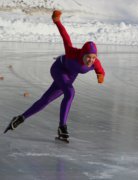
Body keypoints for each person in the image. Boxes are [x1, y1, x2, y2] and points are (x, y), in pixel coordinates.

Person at [4, 10, 105, 140]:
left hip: (69, 77)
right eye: (88, 57)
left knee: (46, 100)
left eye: (93, 57)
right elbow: (65, 36)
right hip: (58, 69)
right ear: (82, 54)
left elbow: (101, 70)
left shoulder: (95, 63)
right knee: (70, 92)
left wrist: (100, 75)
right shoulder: (72, 52)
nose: (90, 60)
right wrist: (57, 21)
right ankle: (62, 127)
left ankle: (20, 118)